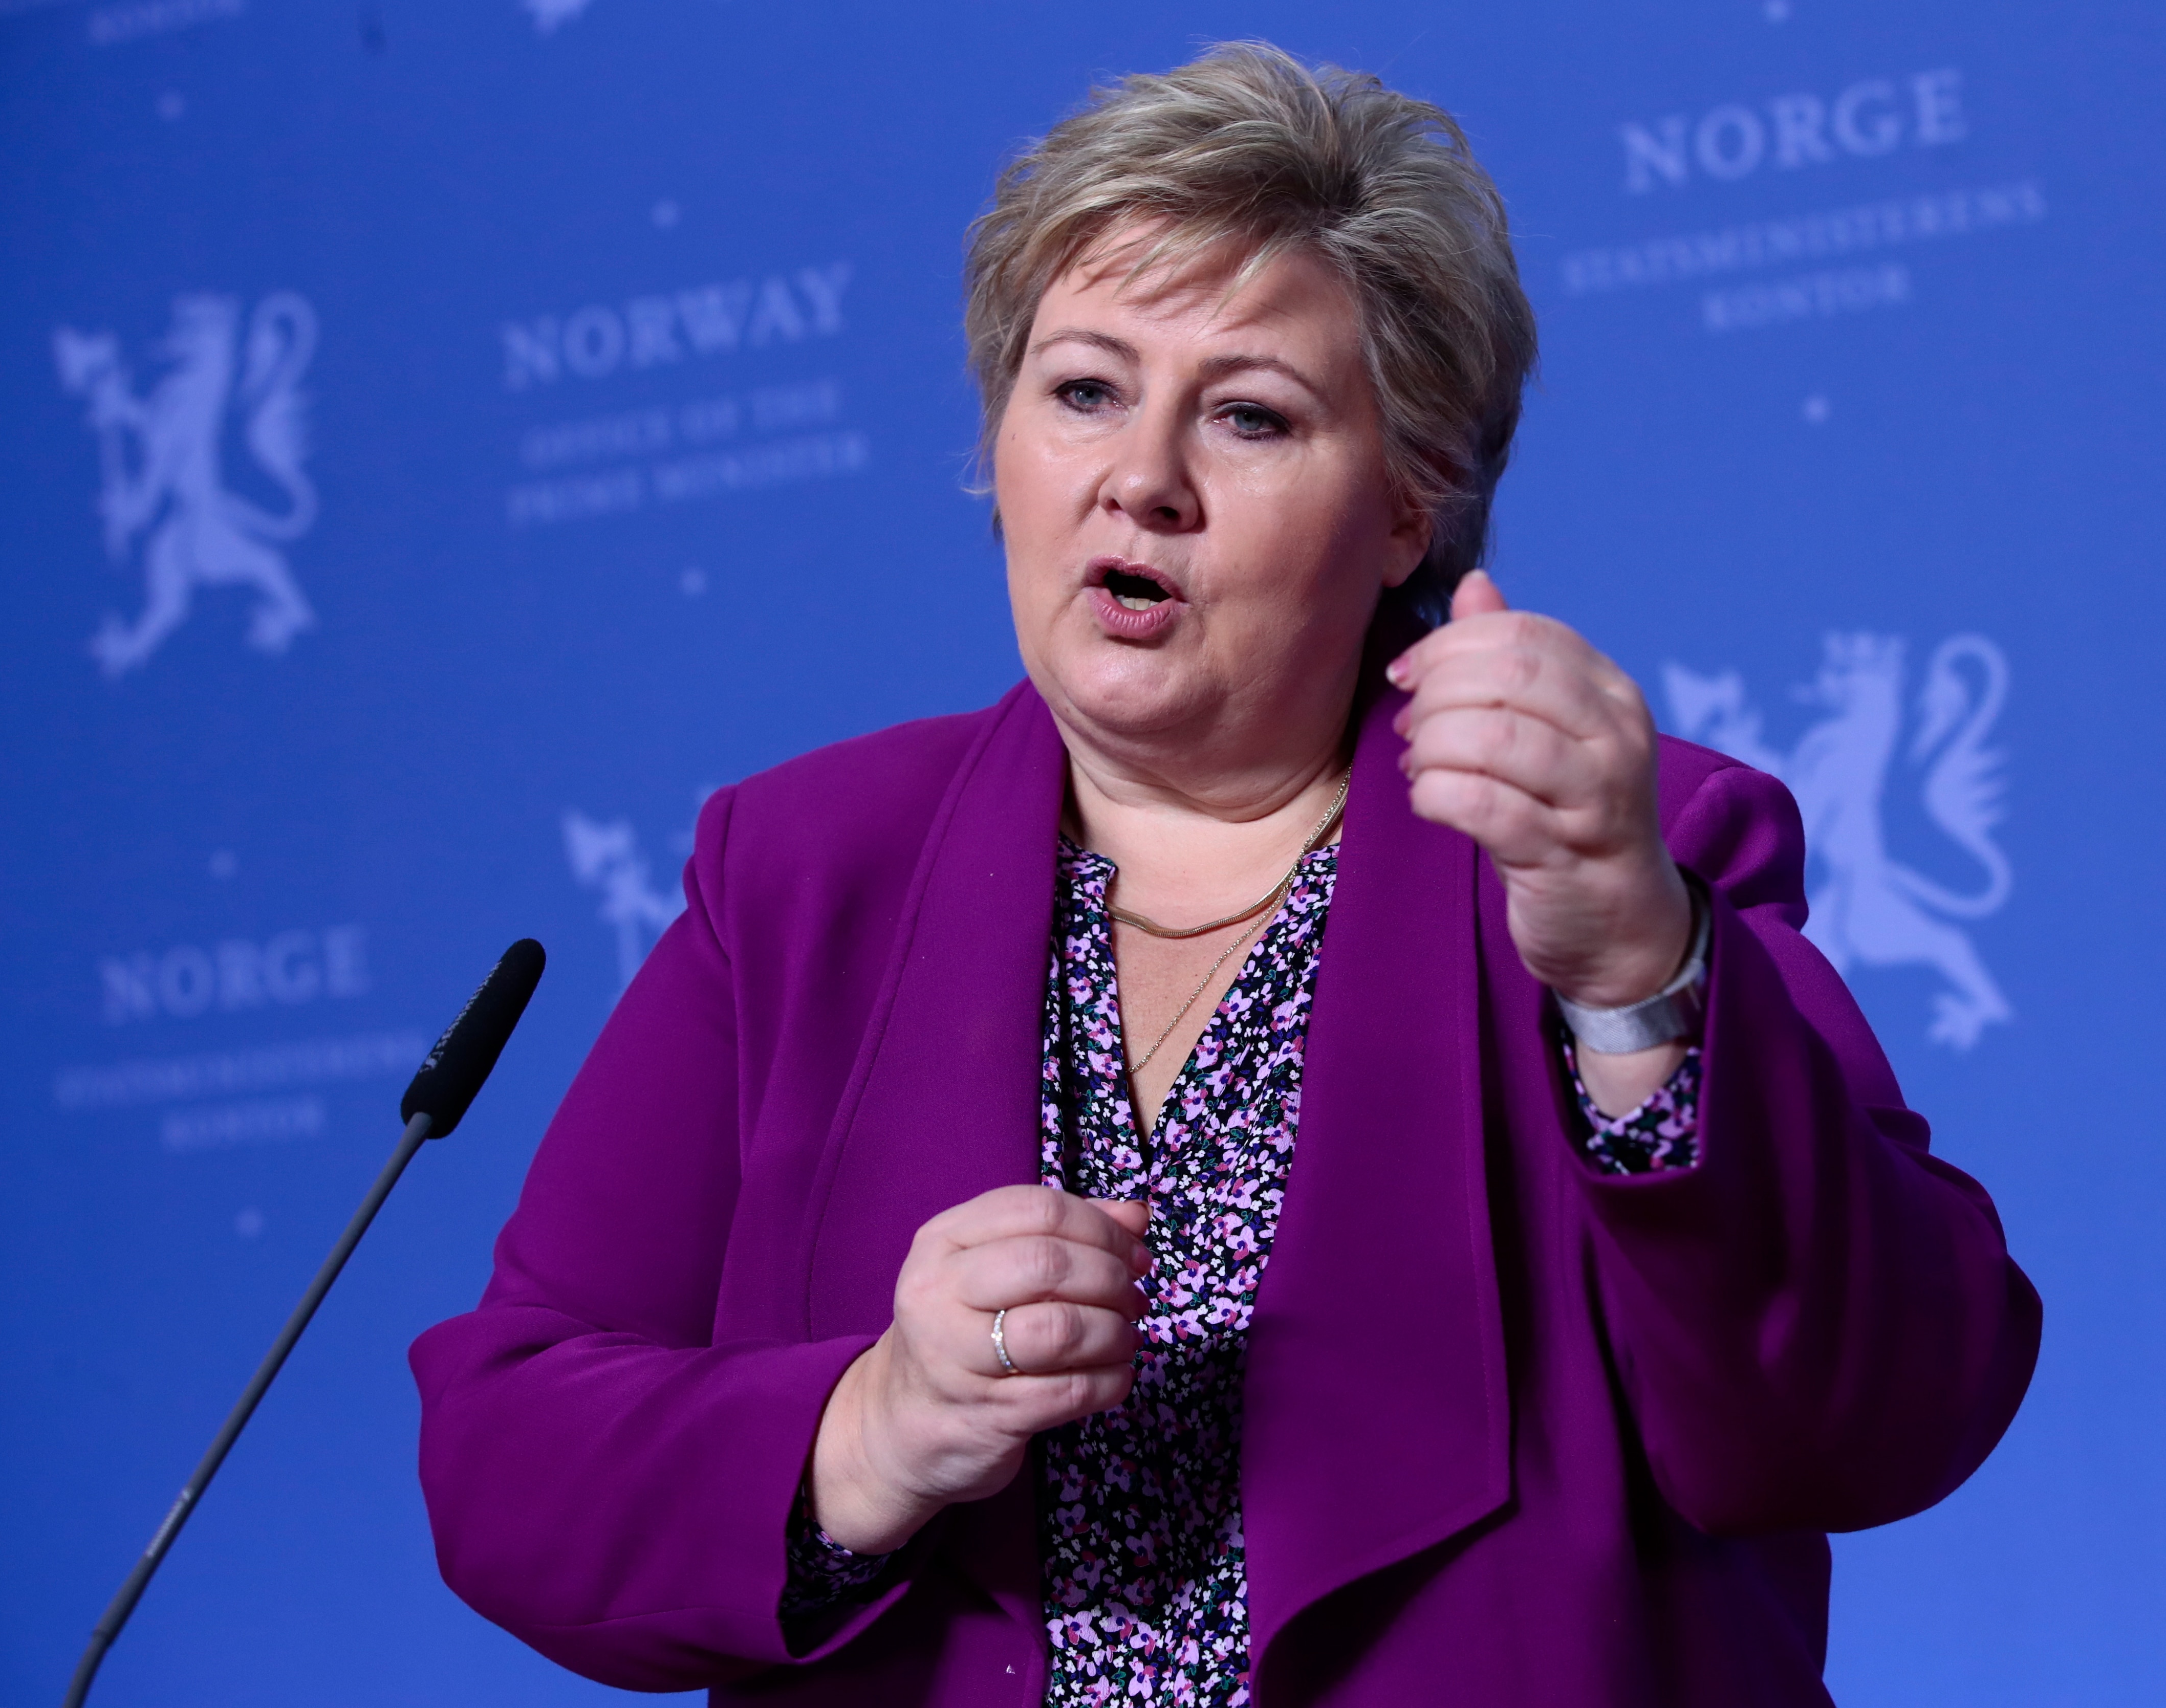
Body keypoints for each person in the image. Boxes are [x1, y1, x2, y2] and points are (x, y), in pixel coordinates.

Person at [410, 42, 2040, 1707]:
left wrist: (1634, 971)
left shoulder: (1622, 848)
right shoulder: (803, 872)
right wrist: (870, 1427)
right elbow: (510, 1443)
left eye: (1250, 413)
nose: (1144, 478)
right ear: (998, 442)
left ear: (1409, 507)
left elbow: (1883, 1407)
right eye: (1084, 389)